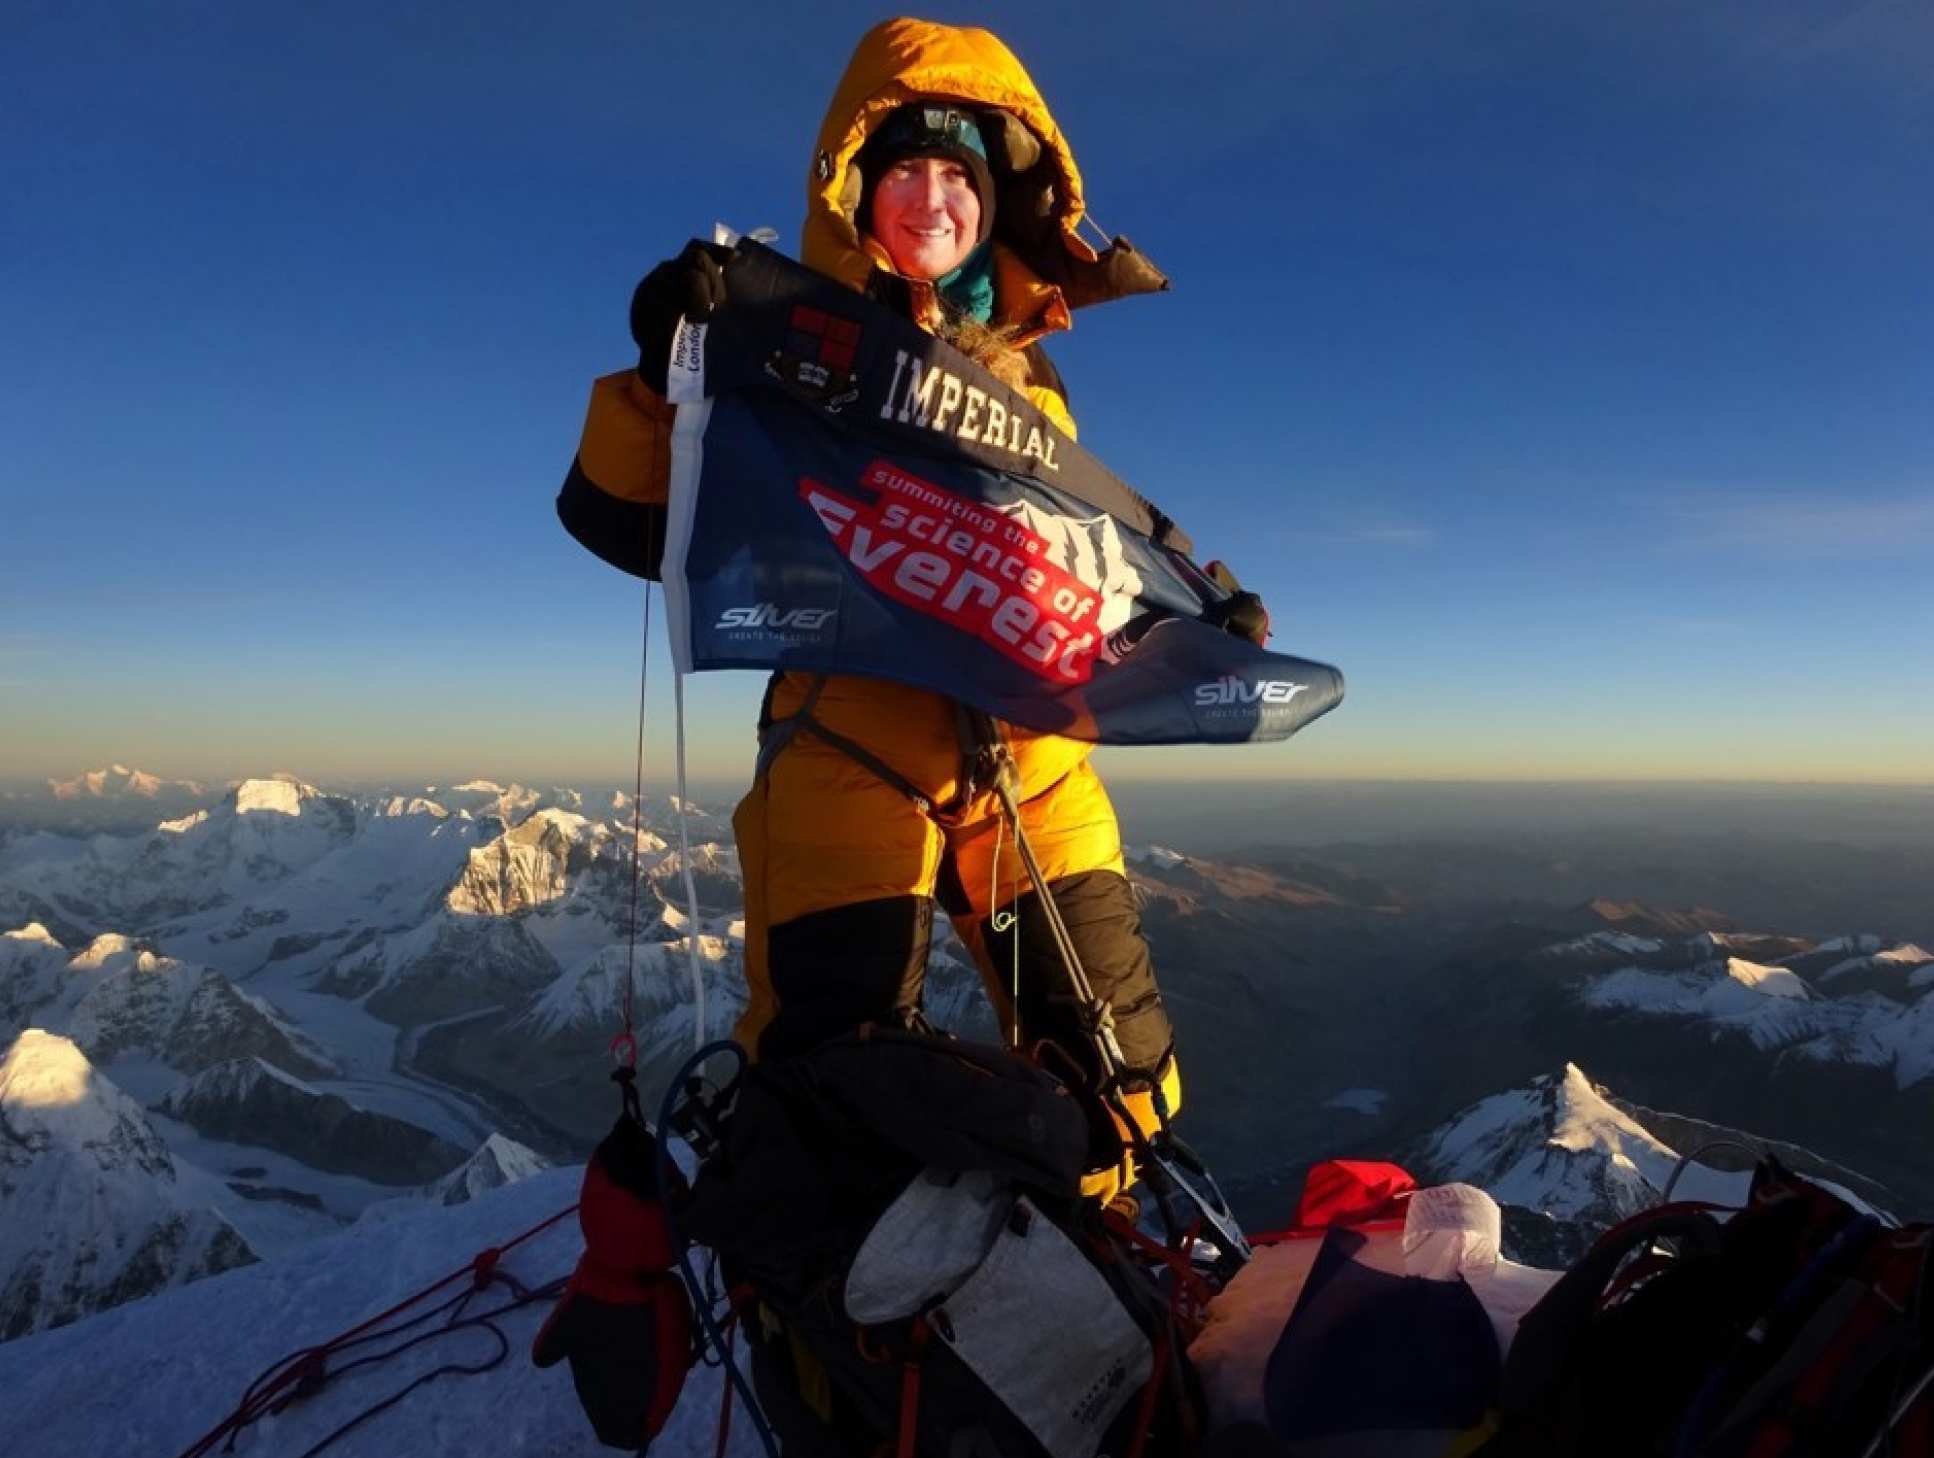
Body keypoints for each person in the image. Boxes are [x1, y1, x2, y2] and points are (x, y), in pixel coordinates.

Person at [559, 18, 1266, 1201]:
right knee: (828, 1074)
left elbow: (1080, 548)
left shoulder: (1032, 384)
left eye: (959, 175)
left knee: (1123, 1085)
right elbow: (624, 522)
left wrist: (1201, 603)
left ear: (992, 207)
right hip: (848, 742)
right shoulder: (779, 345)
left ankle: (1076, 1263)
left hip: (1031, 755)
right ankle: (839, 1342)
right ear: (856, 193)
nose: (932, 197)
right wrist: (657, 373)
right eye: (904, 171)